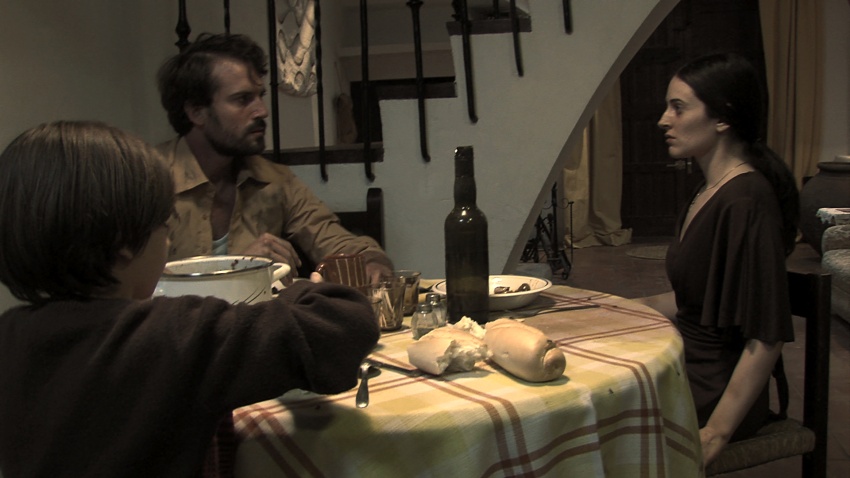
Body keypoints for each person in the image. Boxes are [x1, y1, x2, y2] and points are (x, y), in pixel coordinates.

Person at [0, 121, 380, 477]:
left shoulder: (10, 335)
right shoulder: (177, 335)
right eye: (163, 226)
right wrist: (299, 289)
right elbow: (345, 325)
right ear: (124, 245)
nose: (167, 242)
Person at [638, 53, 798, 466]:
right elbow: (694, 300)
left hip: (713, 388)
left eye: (678, 107)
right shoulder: (707, 191)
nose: (663, 120)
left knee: (595, 411)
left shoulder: (746, 201)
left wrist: (717, 432)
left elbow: (767, 334)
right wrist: (614, 307)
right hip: (687, 365)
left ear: (722, 117)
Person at [156, 32, 393, 283]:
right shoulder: (148, 181)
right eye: (243, 99)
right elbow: (134, 292)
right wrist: (241, 269)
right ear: (197, 112)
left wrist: (371, 263)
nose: (262, 111)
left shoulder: (274, 180)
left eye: (260, 96)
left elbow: (334, 239)